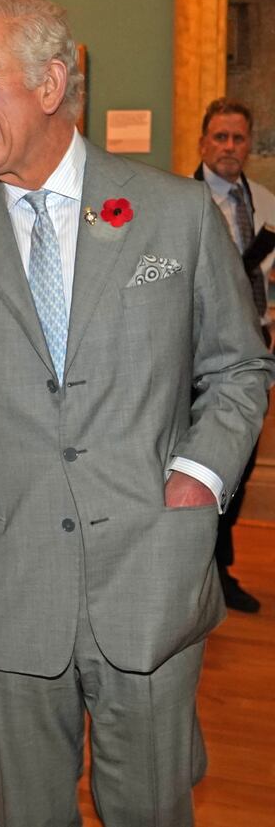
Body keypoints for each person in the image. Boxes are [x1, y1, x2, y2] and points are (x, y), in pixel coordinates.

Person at [0, 0, 273, 827]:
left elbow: (240, 367)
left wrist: (200, 477)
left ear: (53, 81)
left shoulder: (174, 215)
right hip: (7, 592)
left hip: (152, 581)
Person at [194, 96, 275, 613]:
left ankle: (220, 569)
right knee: (199, 463)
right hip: (197, 358)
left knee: (239, 465)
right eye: (220, 137)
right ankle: (194, 569)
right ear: (203, 142)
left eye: (238, 138)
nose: (229, 147)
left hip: (255, 354)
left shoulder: (265, 201)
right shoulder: (182, 199)